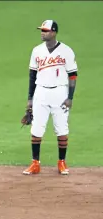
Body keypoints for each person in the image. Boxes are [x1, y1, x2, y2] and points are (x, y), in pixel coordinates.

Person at [22, 20, 78, 175]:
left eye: (45, 31)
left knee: (61, 128)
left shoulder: (66, 51)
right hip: (41, 92)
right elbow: (32, 76)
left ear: (54, 32)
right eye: (42, 30)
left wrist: (70, 97)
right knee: (37, 128)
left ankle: (61, 162)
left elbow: (73, 75)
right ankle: (35, 163)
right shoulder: (36, 51)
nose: (42, 33)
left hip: (60, 93)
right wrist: (30, 98)